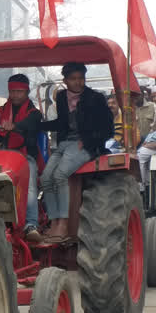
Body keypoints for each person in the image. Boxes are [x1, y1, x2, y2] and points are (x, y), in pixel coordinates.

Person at [38, 63, 113, 241]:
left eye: (81, 78)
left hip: (85, 145)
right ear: (65, 81)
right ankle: (54, 221)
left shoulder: (96, 98)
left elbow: (107, 129)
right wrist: (38, 125)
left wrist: (87, 141)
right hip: (64, 143)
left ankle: (64, 223)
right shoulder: (62, 97)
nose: (78, 82)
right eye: (73, 79)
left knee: (60, 175)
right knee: (45, 178)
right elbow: (61, 124)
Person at [0, 74, 44, 241]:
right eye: (13, 91)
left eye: (20, 91)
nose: (16, 95)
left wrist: (14, 127)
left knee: (29, 185)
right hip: (3, 158)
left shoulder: (34, 113)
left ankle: (30, 224)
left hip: (26, 158)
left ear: (27, 91)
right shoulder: (0, 112)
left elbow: (28, 125)